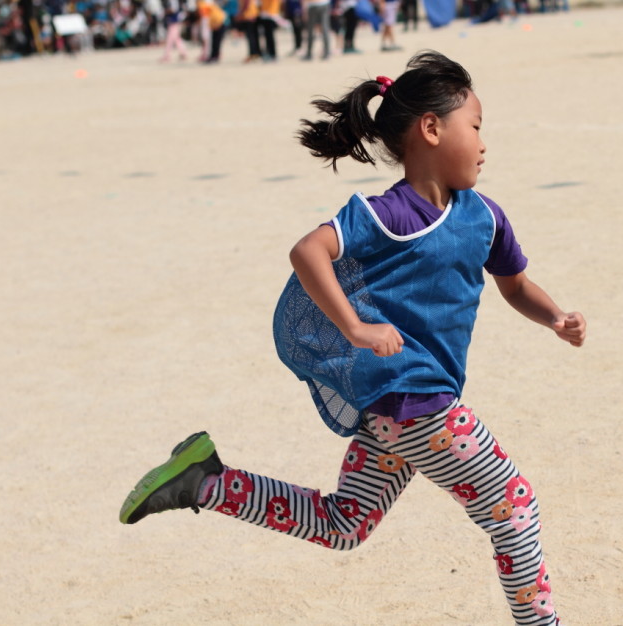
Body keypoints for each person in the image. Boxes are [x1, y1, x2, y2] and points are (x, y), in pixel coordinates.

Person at [119, 51, 586, 626]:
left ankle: (207, 482)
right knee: (514, 509)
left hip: (397, 412)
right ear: (431, 129)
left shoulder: (485, 217)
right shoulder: (388, 212)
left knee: (344, 525)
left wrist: (557, 317)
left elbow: (514, 286)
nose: (486, 143)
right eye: (477, 126)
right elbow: (307, 250)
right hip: (420, 404)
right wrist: (355, 327)